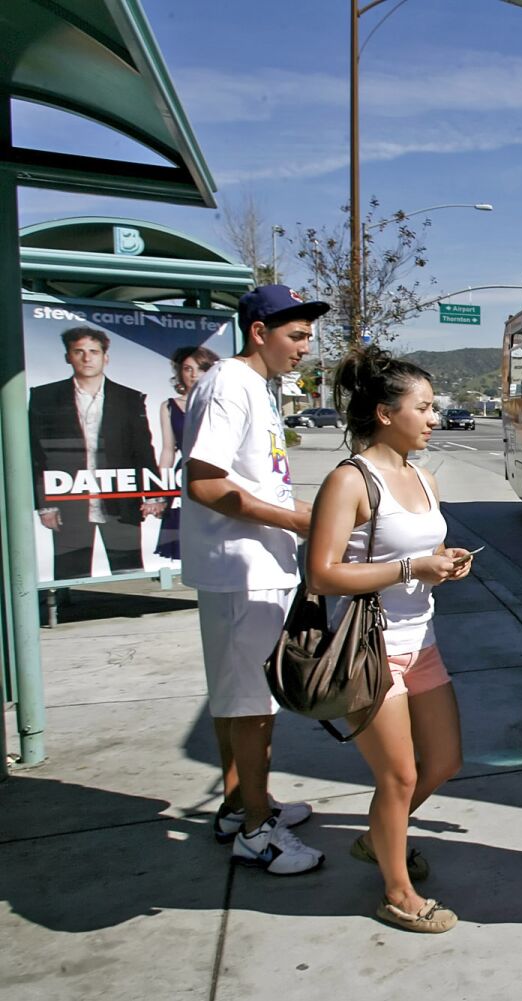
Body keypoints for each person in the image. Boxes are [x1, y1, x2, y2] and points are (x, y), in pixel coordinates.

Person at [305, 346, 470, 933]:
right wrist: (411, 570)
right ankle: (398, 892)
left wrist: (444, 562)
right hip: (369, 649)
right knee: (398, 776)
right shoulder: (349, 480)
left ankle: (381, 837)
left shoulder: (422, 476)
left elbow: (418, 553)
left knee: (445, 760)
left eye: (433, 407)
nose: (433, 417)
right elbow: (322, 574)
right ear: (383, 412)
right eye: (423, 408)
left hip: (420, 639)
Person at [181, 285, 324, 875]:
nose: (304, 350)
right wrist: (297, 519)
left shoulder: (254, 385)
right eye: (296, 337)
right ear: (258, 332)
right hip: (242, 569)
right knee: (253, 703)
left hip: (248, 565)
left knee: (236, 695)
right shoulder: (230, 385)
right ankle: (257, 833)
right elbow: (205, 483)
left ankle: (243, 804)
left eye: (309, 339)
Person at [29, 327, 165, 580]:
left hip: (120, 497)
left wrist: (155, 494)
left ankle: (130, 612)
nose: (87, 358)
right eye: (78, 351)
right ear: (68, 356)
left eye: (93, 351)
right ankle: (67, 615)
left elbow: (143, 450)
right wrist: (45, 505)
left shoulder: (129, 398)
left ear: (106, 357)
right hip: (69, 497)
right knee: (71, 571)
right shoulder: (44, 397)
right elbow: (37, 454)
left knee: (128, 567)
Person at [155, 345, 220, 560]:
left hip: (214, 471)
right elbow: (167, 450)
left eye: (200, 369)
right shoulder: (169, 406)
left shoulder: (218, 403)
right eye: (187, 369)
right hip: (182, 475)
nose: (193, 375)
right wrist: (160, 490)